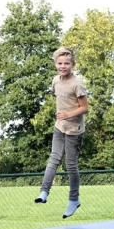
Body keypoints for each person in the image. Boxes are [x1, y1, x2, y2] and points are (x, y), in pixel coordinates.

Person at [34, 46, 88, 219]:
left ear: (73, 64)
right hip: (59, 126)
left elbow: (85, 108)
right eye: (59, 63)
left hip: (74, 130)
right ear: (55, 64)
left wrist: (67, 114)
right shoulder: (55, 81)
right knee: (54, 158)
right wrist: (61, 117)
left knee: (71, 165)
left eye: (66, 63)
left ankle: (74, 199)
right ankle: (44, 192)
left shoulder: (77, 84)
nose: (63, 66)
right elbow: (59, 97)